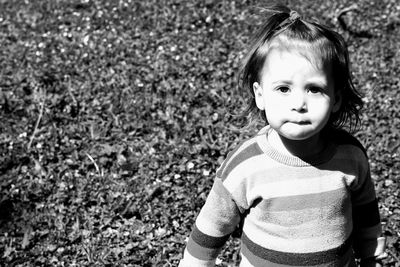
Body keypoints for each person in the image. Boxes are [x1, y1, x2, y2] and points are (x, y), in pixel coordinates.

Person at [179, 5, 386, 267]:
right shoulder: (246, 165)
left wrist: (371, 252)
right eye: (283, 89)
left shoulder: (350, 156)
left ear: (336, 99)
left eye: (314, 89)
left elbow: (366, 209)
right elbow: (212, 226)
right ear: (260, 95)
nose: (299, 103)